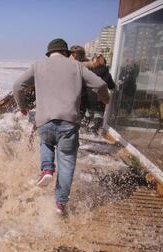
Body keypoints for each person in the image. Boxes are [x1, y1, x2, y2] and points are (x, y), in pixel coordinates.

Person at [13, 38, 109, 215]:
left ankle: (47, 168)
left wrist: (23, 106)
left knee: (46, 142)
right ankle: (60, 204)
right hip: (69, 123)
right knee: (66, 162)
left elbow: (17, 85)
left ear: (49, 53)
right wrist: (106, 99)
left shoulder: (38, 65)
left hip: (45, 121)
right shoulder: (77, 66)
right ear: (67, 53)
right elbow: (101, 84)